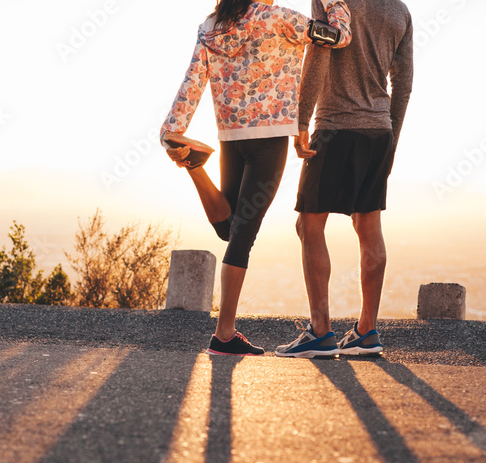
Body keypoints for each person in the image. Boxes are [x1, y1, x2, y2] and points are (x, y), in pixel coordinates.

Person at [162, 0, 352, 356]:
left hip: (231, 136)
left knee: (228, 230)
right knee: (242, 236)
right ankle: (223, 335)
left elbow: (192, 82)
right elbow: (338, 36)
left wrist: (172, 130)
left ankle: (195, 165)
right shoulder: (277, 17)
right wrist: (335, 3)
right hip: (268, 139)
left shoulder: (210, 26)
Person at [275, 0, 413, 359]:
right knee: (369, 226)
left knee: (310, 225)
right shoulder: (399, 10)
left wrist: (302, 120)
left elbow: (319, 53)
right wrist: (391, 138)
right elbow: (405, 83)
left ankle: (320, 332)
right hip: (379, 131)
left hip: (336, 128)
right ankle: (367, 332)